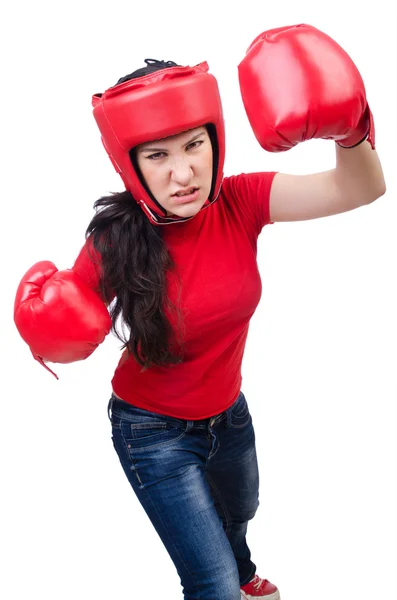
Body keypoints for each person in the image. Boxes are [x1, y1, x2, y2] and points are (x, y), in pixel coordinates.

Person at [14, 24, 386, 600]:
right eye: (158, 155)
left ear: (215, 138)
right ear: (130, 164)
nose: (183, 173)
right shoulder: (114, 240)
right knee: (209, 583)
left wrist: (353, 129)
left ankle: (242, 572)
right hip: (151, 431)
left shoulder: (239, 201)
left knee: (240, 513)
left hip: (228, 413)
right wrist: (47, 329)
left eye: (194, 145)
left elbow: (358, 190)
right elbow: (58, 323)